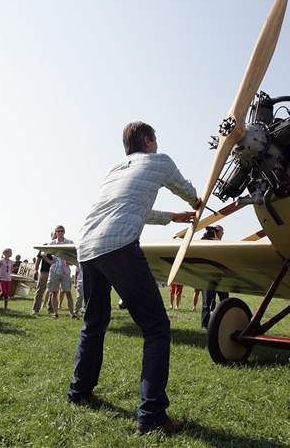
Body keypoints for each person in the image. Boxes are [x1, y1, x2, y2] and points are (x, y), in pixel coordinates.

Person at [67, 121, 198, 434]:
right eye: (156, 138)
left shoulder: (115, 170)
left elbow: (133, 209)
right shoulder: (160, 161)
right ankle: (152, 416)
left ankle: (79, 392)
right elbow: (185, 189)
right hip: (119, 244)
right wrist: (196, 204)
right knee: (156, 328)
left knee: (93, 323)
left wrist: (171, 218)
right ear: (149, 139)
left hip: (87, 246)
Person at [200, 225, 228, 330]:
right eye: (218, 231)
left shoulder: (223, 245)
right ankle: (205, 325)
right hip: (208, 278)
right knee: (207, 303)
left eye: (220, 231)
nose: (221, 233)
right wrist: (209, 236)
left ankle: (225, 322)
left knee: (225, 301)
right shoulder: (207, 241)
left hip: (221, 279)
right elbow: (202, 243)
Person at [47, 225, 76, 319]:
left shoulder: (70, 242)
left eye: (61, 231)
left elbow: (75, 254)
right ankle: (56, 313)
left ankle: (72, 314)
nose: (60, 232)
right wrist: (50, 262)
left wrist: (71, 261)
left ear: (64, 232)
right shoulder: (52, 243)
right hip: (55, 270)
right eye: (58, 231)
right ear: (55, 232)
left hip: (66, 271)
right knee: (54, 292)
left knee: (68, 292)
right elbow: (43, 253)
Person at [31, 235, 54, 315]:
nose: (56, 235)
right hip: (44, 272)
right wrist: (36, 270)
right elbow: (38, 259)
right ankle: (35, 310)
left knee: (53, 291)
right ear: (51, 235)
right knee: (40, 290)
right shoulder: (45, 246)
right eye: (54, 233)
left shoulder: (61, 247)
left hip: (55, 272)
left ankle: (51, 310)